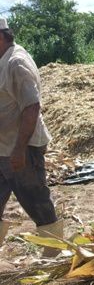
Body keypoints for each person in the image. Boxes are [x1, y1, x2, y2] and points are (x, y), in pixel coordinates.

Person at [0, 18, 63, 257]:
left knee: (35, 199)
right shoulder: (1, 59)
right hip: (2, 147)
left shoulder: (16, 63)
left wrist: (19, 149)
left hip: (21, 147)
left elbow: (31, 108)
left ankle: (54, 253)